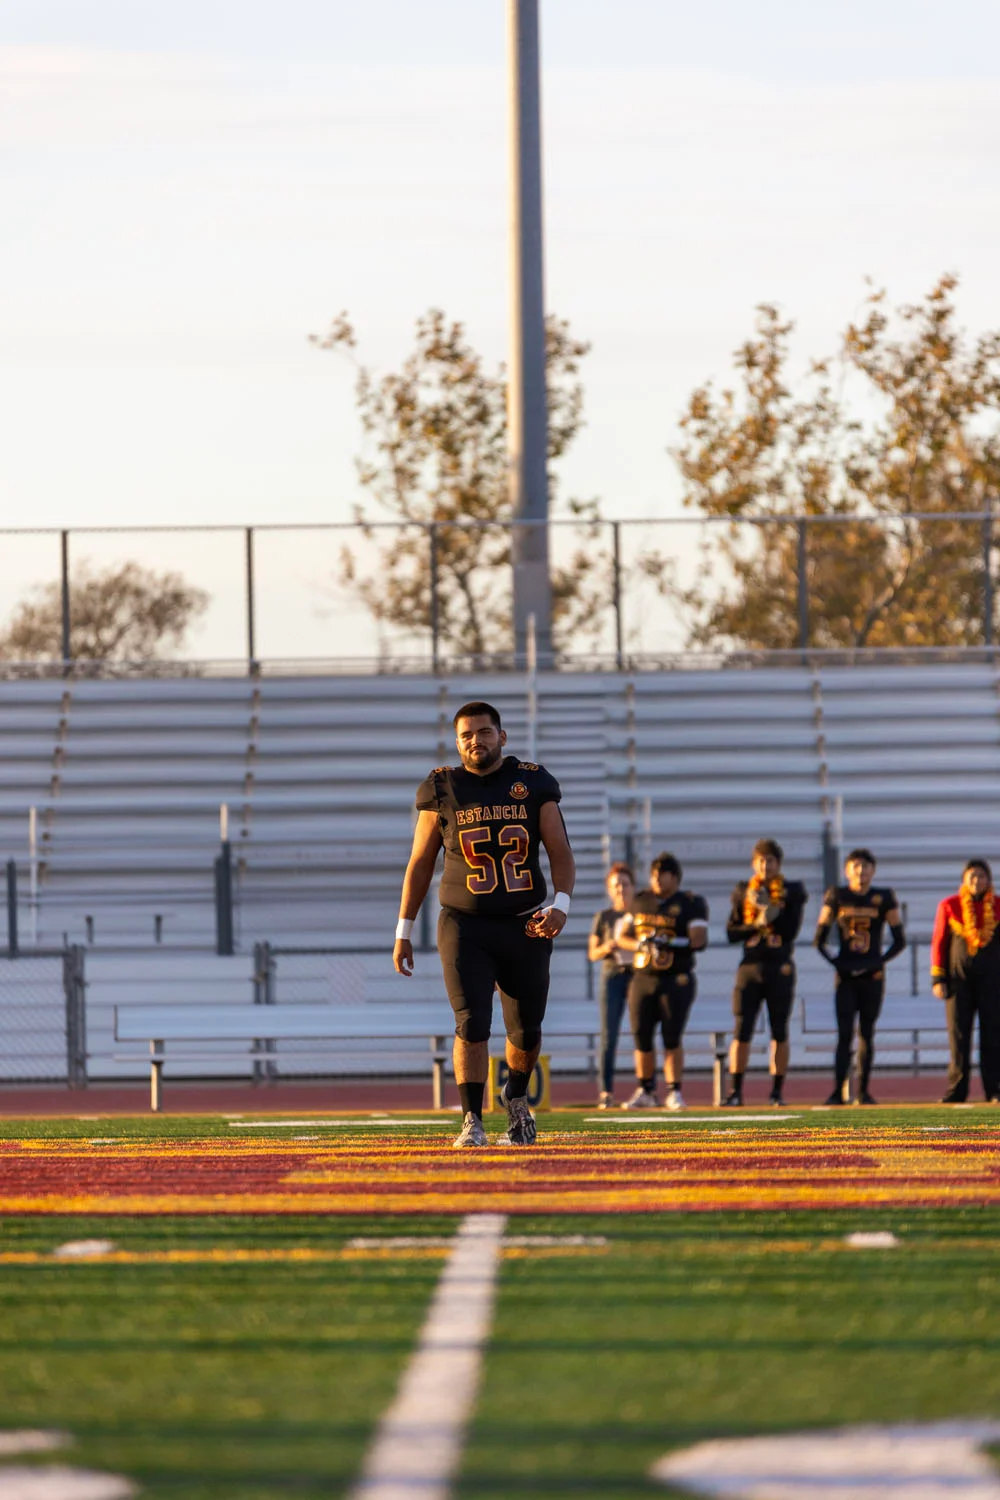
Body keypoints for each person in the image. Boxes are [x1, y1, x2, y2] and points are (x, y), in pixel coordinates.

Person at [393, 700, 576, 1147]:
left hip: (524, 923)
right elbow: (419, 863)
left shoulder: (531, 781)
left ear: (502, 736)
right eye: (467, 735)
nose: (476, 741)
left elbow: (560, 850)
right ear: (457, 743)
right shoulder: (442, 788)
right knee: (471, 1022)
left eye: (484, 732)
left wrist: (561, 905)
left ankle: (515, 1095)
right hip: (464, 924)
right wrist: (403, 930)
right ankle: (471, 1120)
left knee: (526, 1030)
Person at [614, 853, 709, 1111]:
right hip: (643, 977)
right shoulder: (641, 900)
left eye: (662, 873)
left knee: (671, 1036)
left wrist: (669, 942)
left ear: (674, 877)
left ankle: (674, 1091)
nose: (656, 878)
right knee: (641, 1036)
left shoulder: (690, 903)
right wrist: (640, 944)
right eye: (653, 872)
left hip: (675, 978)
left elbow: (699, 940)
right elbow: (621, 937)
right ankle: (645, 1089)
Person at [814, 848, 906, 1105]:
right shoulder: (837, 895)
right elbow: (819, 939)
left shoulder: (884, 897)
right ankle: (838, 1091)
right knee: (844, 1034)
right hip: (846, 976)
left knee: (867, 1033)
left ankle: (863, 1091)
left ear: (873, 870)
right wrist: (837, 963)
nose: (861, 871)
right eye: (855, 866)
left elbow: (899, 940)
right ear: (847, 870)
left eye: (866, 866)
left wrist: (878, 962)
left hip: (872, 976)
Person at [723, 838, 807, 1107]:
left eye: (770, 860)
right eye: (760, 860)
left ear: (778, 863)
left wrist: (770, 909)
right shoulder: (742, 890)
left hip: (779, 967)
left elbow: (790, 931)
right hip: (749, 967)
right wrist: (756, 924)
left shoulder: (792, 891)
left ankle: (776, 1092)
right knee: (741, 1030)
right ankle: (735, 1091)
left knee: (779, 1030)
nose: (765, 865)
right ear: (753, 863)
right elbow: (731, 933)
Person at [930, 858, 1000, 1104]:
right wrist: (938, 978)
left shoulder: (998, 906)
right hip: (958, 983)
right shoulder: (949, 906)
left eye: (981, 876)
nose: (977, 881)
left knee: (993, 1037)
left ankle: (995, 1090)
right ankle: (957, 1090)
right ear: (964, 880)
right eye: (972, 876)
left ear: (988, 880)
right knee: (959, 1037)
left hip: (993, 983)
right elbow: (939, 942)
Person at [588, 862, 636, 1108]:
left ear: (633, 887)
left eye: (625, 884)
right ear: (609, 889)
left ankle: (644, 1088)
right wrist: (608, 947)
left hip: (639, 975)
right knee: (609, 1035)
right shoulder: (604, 917)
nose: (621, 890)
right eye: (616, 885)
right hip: (613, 975)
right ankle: (606, 1091)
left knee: (643, 1034)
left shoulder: (641, 915)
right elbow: (592, 952)